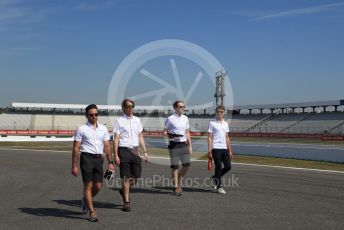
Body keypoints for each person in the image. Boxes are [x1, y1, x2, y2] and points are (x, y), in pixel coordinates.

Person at [71, 104, 114, 222]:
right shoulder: (81, 129)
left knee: (98, 186)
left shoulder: (103, 129)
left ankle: (85, 199)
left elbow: (107, 146)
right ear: (86, 115)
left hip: (99, 159)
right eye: (91, 114)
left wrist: (111, 162)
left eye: (96, 114)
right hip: (86, 158)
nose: (94, 116)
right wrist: (74, 165)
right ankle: (92, 212)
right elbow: (76, 148)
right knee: (88, 185)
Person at [113, 99, 149, 212]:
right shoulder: (119, 121)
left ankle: (123, 190)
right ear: (123, 108)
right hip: (123, 150)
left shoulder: (137, 120)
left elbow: (140, 136)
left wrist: (145, 152)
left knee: (136, 177)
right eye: (128, 106)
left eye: (132, 106)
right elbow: (116, 139)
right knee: (126, 178)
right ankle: (126, 202)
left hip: (135, 151)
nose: (130, 108)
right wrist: (116, 155)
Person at [163, 100, 192, 196]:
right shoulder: (170, 118)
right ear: (175, 108)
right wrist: (170, 135)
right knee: (175, 167)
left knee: (187, 165)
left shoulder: (185, 118)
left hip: (184, 143)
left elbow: (187, 132)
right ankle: (175, 187)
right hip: (174, 144)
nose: (182, 108)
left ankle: (179, 178)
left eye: (183, 106)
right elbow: (164, 131)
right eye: (180, 107)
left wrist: (190, 146)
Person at [207, 105, 233, 194]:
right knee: (218, 167)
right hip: (215, 147)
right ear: (216, 112)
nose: (220, 113)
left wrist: (230, 150)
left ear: (224, 113)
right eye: (218, 112)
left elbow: (227, 137)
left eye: (221, 112)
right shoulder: (212, 123)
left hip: (224, 148)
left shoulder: (226, 123)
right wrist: (210, 150)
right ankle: (219, 187)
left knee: (228, 167)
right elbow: (209, 137)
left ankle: (215, 177)